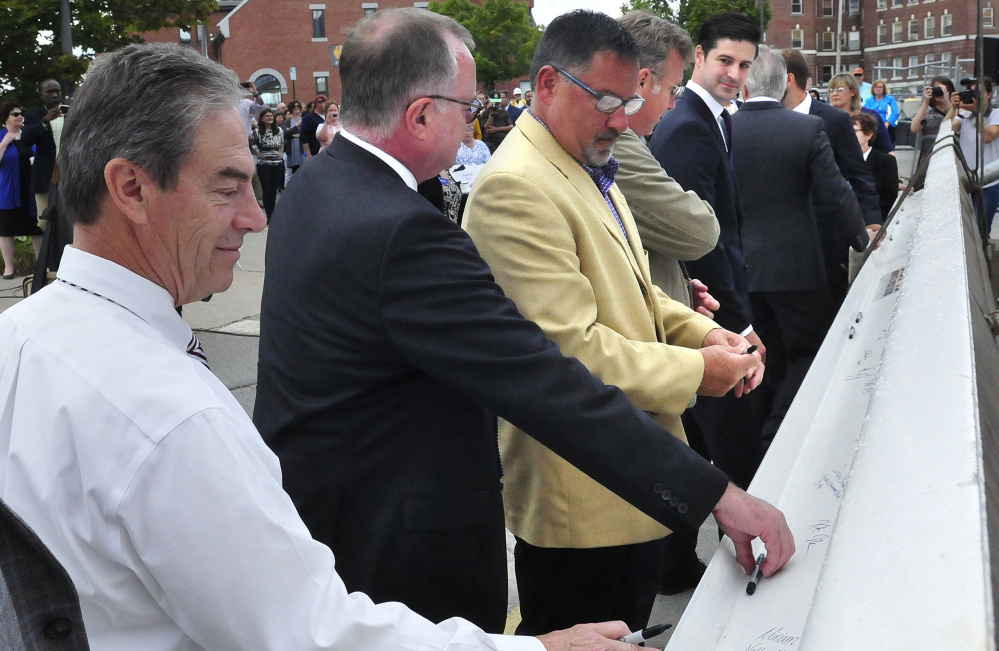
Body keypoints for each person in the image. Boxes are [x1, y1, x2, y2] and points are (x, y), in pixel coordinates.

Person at [0, 40, 652, 651]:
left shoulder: (21, 335)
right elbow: (309, 633)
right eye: (226, 186)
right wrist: (532, 646)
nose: (255, 216)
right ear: (131, 188)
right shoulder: (169, 417)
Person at [255, 6, 793, 636]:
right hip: (404, 558)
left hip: (345, 527)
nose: (477, 117)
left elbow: (632, 286)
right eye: (466, 103)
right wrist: (717, 492)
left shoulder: (321, 186)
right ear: (421, 113)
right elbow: (549, 374)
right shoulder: (404, 227)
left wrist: (696, 331)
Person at [464, 10, 776, 634]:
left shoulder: (579, 159)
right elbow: (569, 350)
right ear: (547, 85)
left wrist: (700, 330)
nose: (621, 118)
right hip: (582, 507)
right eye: (606, 100)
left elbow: (635, 289)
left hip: (621, 488)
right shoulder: (516, 188)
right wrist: (698, 370)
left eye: (630, 99)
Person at [610, 11, 721, 595]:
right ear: (645, 81)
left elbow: (631, 253)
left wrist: (676, 292)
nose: (674, 103)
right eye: (673, 87)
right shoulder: (620, 146)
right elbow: (698, 228)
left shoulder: (621, 143)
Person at [651, 12, 768, 495]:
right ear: (698, 57)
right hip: (707, 317)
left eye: (744, 66)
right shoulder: (688, 128)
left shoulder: (714, 121)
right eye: (725, 60)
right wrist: (739, 327)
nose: (734, 75)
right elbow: (700, 241)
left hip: (710, 310)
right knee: (732, 452)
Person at [732, 45, 869, 444]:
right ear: (783, 85)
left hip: (743, 270)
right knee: (807, 355)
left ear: (745, 85)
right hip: (799, 270)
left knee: (759, 357)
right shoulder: (805, 129)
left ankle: (756, 443)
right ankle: (779, 435)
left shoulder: (725, 129)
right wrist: (862, 239)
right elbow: (837, 193)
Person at [780, 48, 883, 304]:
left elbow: (859, 176)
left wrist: (872, 221)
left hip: (825, 240)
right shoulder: (768, 119)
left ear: (787, 79)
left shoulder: (834, 120)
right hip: (780, 246)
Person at [0, 101, 42, 279]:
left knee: (36, 228)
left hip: (31, 189)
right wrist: (4, 143)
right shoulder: (1, 135)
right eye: (14, 114)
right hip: (9, 190)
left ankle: (41, 265)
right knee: (6, 229)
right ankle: (9, 268)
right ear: (6, 118)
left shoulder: (29, 135)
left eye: (20, 113)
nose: (19, 116)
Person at [952, 77, 999, 231]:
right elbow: (946, 130)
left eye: (978, 92)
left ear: (990, 94)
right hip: (967, 180)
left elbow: (988, 136)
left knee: (981, 228)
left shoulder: (996, 114)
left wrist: (977, 113)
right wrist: (954, 108)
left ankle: (984, 253)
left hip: (989, 183)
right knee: (965, 228)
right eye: (971, 92)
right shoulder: (965, 115)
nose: (974, 95)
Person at [20, 79, 62, 221]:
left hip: (69, 176)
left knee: (69, 221)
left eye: (57, 91)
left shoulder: (73, 112)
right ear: (41, 95)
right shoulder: (33, 115)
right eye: (50, 92)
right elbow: (25, 140)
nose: (55, 95)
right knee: (44, 221)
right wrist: (44, 121)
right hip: (44, 178)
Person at [828, 73, 894, 153]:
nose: (834, 93)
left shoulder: (871, 115)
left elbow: (887, 150)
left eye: (840, 89)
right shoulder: (825, 117)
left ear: (853, 92)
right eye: (831, 90)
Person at [910, 76, 957, 188]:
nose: (940, 92)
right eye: (936, 89)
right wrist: (926, 102)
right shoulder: (928, 113)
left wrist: (947, 101)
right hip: (927, 163)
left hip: (948, 162)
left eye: (944, 88)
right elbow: (914, 128)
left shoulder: (957, 110)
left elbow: (956, 120)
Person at [854, 112, 899, 219]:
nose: (850, 134)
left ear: (869, 135)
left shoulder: (886, 161)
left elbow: (889, 196)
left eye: (855, 131)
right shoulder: (840, 159)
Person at [250, 108, 285, 222]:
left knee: (274, 190)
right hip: (264, 164)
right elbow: (251, 144)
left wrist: (281, 153)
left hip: (277, 163)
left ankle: (274, 215)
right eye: (267, 116)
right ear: (262, 118)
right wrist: (256, 153)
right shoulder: (257, 131)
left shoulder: (279, 130)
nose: (270, 118)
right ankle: (269, 216)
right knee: (267, 189)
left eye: (271, 116)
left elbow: (282, 142)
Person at [285, 100, 306, 178]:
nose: (296, 108)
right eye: (294, 107)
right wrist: (297, 126)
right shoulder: (287, 121)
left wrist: (295, 134)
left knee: (304, 169)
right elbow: (286, 134)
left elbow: (306, 132)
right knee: (295, 172)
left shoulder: (305, 119)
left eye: (298, 106)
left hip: (303, 147)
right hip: (292, 148)